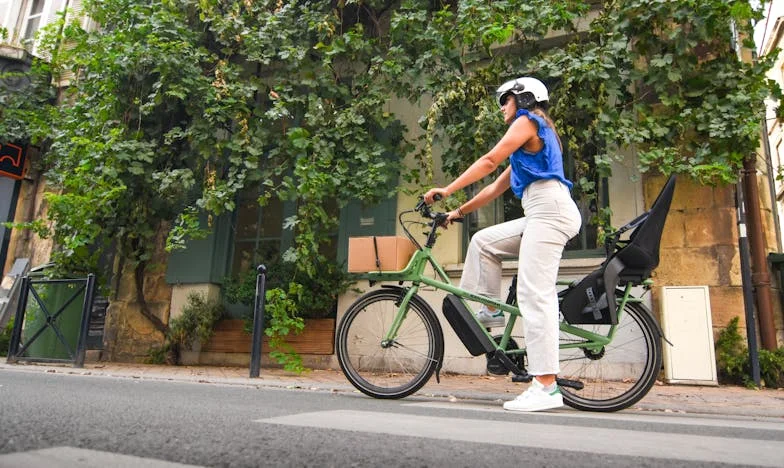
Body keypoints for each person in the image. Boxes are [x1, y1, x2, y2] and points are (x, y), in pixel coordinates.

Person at [423, 77, 582, 412]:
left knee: (534, 294)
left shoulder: (528, 122)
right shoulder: (528, 146)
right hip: (540, 211)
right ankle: (490, 314)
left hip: (550, 211)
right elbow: (495, 186)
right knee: (483, 242)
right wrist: (457, 211)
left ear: (523, 99)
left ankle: (546, 385)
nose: (501, 108)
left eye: (504, 101)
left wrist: (447, 189)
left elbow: (489, 160)